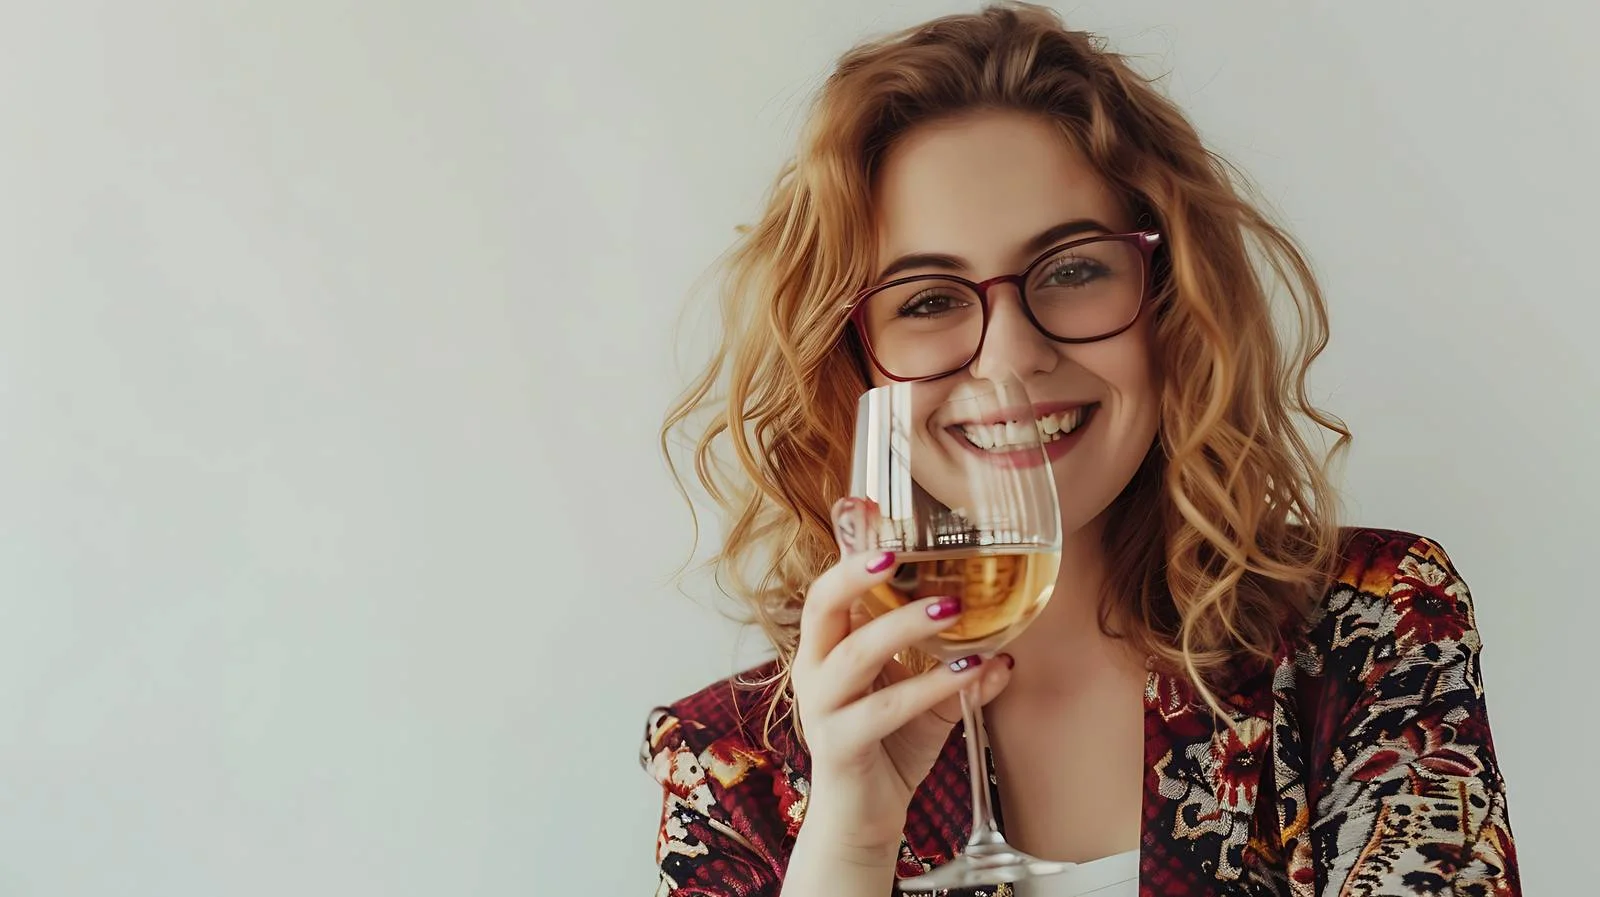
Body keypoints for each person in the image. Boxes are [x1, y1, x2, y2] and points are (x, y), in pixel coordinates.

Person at [642, 4, 1519, 895]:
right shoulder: (730, 771)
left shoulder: (1368, 630)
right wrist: (852, 847)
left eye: (1072, 270)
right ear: (853, 362)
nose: (1013, 356)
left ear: (1172, 302)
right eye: (926, 300)